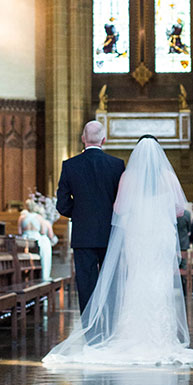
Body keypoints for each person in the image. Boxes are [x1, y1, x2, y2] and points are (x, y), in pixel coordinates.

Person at [43, 136, 193, 367]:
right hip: (159, 235)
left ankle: (131, 335)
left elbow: (119, 208)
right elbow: (179, 210)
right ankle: (161, 337)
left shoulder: (129, 176)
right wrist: (159, 208)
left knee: (137, 278)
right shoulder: (167, 176)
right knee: (159, 280)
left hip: (138, 235)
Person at [55, 120, 126, 314]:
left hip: (83, 235)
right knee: (111, 283)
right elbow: (123, 201)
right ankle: (110, 328)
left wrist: (79, 214)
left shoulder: (70, 165)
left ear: (83, 139)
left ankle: (91, 332)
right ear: (104, 139)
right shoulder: (117, 165)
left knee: (86, 285)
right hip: (110, 232)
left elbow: (61, 204)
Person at [19, 198, 58, 280]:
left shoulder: (22, 217)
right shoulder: (39, 218)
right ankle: (44, 274)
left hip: (25, 240)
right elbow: (43, 232)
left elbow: (20, 232)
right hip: (35, 239)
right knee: (45, 243)